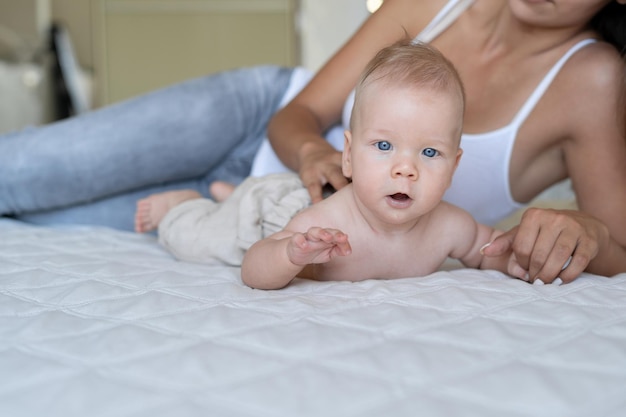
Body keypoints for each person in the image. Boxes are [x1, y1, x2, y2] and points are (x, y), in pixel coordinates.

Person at [1, 0, 625, 285]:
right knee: (22, 169)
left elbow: (618, 244)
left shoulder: (592, 78)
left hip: (239, 211)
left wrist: (589, 233)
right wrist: (315, 155)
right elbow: (301, 112)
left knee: (38, 221)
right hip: (253, 116)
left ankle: (188, 200)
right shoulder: (434, 3)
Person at [135, 41, 525, 289]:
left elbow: (488, 249)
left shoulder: (451, 227)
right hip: (273, 213)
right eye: (385, 145)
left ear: (454, 165)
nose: (405, 169)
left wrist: (522, 262)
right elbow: (253, 268)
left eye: (429, 153)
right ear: (349, 156)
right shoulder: (331, 222)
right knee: (195, 241)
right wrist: (292, 255)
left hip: (296, 197)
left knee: (242, 196)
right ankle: (187, 204)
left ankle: (230, 193)